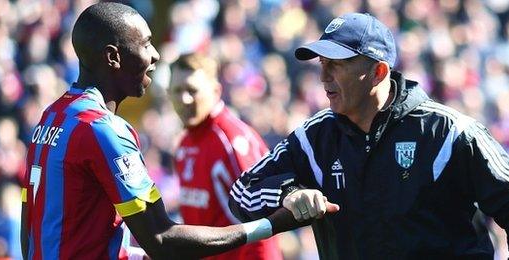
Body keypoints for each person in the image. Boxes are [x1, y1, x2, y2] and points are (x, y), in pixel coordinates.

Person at [228, 12, 509, 259]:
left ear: (378, 72)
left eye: (337, 65)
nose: (323, 76)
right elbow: (243, 193)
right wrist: (290, 193)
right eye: (321, 64)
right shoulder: (315, 137)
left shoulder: (447, 132)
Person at [20, 3, 337, 259]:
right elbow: (162, 239)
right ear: (113, 57)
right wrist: (273, 223)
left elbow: (31, 227)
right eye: (144, 44)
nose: (155, 54)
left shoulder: (51, 117)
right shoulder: (103, 130)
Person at [167, 52, 282, 259]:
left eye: (193, 90)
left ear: (216, 90)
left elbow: (263, 222)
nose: (185, 99)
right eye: (177, 91)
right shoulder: (183, 145)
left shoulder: (232, 141)